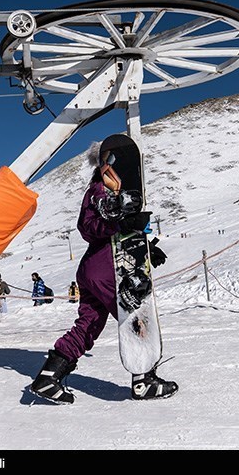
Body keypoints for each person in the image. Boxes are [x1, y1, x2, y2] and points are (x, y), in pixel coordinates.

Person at [30, 135, 176, 404]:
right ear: (101, 165)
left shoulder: (113, 191)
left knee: (89, 324)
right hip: (106, 266)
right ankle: (144, 379)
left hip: (92, 269)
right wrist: (117, 221)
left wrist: (145, 247)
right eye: (107, 161)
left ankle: (48, 378)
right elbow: (88, 227)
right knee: (136, 315)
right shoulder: (100, 191)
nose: (112, 166)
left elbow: (122, 230)